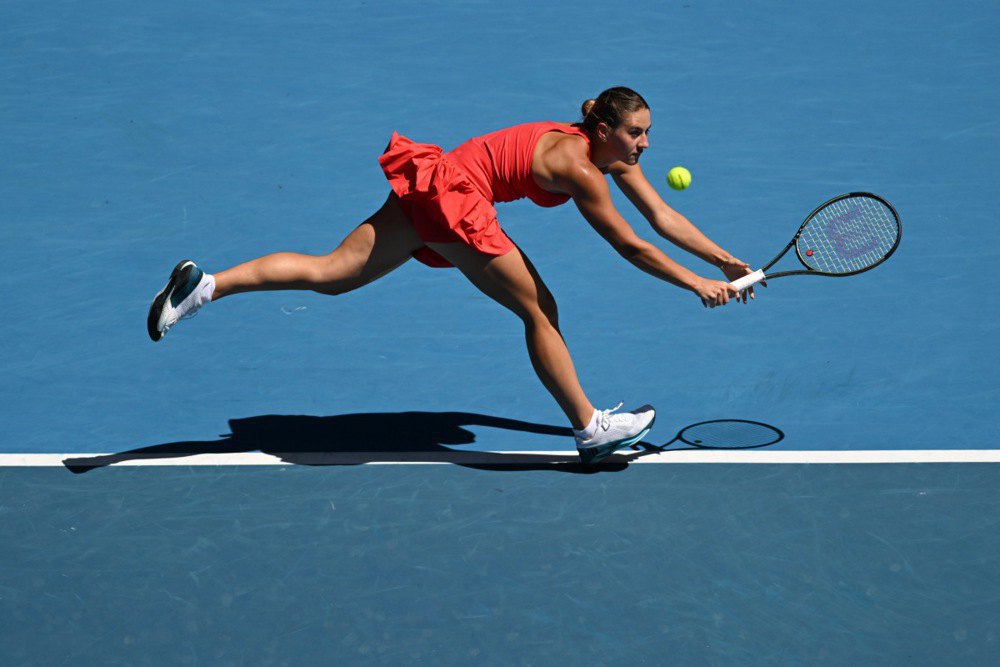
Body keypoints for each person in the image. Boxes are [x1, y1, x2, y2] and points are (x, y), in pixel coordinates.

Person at [147, 86, 755, 465]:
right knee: (539, 309)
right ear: (604, 131)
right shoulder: (581, 169)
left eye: (648, 133)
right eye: (636, 133)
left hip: (431, 184)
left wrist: (723, 261)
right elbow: (629, 244)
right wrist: (695, 284)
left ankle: (206, 286)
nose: (645, 144)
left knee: (333, 273)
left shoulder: (605, 153)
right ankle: (590, 428)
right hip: (457, 201)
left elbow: (661, 216)